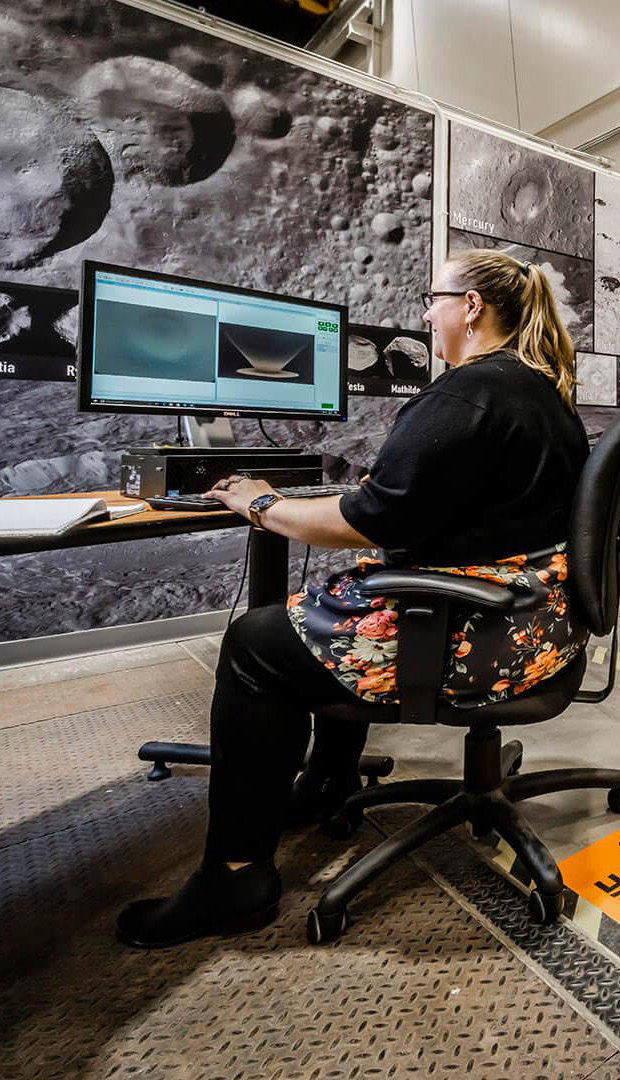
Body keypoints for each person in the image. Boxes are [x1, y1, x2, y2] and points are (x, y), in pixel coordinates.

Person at [116, 249, 590, 948]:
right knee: (334, 599)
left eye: (434, 299)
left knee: (256, 646)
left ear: (472, 308)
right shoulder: (537, 391)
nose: (426, 312)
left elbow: (365, 519)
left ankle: (236, 877)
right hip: (536, 625)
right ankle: (325, 784)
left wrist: (264, 502)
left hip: (480, 636)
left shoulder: (469, 393)